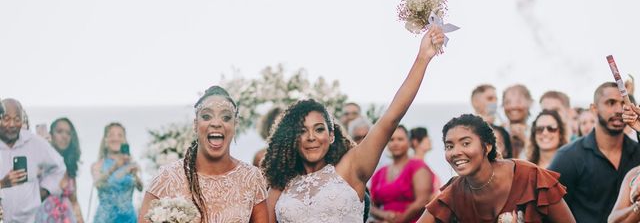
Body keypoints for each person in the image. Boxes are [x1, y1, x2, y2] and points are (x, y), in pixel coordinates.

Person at [262, 26, 446, 223]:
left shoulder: (350, 167)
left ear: (331, 135)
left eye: (319, 129)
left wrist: (423, 57)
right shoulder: (281, 186)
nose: (311, 137)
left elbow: (390, 119)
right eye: (302, 131)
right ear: (292, 138)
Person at [139, 85, 267, 223]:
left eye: (226, 117)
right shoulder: (167, 177)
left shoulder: (252, 178)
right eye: (206, 116)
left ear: (235, 125)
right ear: (195, 125)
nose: (216, 123)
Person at [418, 114, 574, 222]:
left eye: (466, 143)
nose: (456, 152)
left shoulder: (531, 176)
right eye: (449, 146)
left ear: (487, 146)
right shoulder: (453, 193)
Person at [548, 82, 640, 223]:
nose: (619, 110)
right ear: (594, 109)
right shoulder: (568, 156)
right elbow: (549, 209)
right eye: (611, 103)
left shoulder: (638, 152)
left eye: (624, 103)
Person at [0, 98, 66, 223]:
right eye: (7, 119)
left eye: (17, 119)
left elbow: (59, 167)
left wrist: (44, 192)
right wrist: (3, 183)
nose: (12, 124)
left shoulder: (34, 142)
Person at [369, 126, 431, 222]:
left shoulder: (418, 167)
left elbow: (423, 201)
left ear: (409, 142)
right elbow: (371, 205)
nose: (395, 143)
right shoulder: (379, 173)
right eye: (391, 140)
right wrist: (385, 215)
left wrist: (399, 220)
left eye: (400, 139)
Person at [91, 122, 142, 223]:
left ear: (124, 140)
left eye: (120, 135)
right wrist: (115, 167)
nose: (116, 138)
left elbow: (140, 188)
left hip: (128, 219)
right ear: (105, 140)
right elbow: (98, 184)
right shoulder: (97, 165)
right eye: (111, 135)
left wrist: (135, 175)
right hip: (104, 219)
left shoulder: (132, 164)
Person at [36, 118, 84, 223]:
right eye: (59, 131)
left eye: (68, 133)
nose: (64, 136)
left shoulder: (70, 166)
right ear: (51, 135)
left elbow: (74, 202)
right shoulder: (41, 161)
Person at [502, 84, 533, 158]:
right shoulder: (495, 132)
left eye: (518, 102)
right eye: (508, 102)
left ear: (530, 103)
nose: (513, 106)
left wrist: (525, 140)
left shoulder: (540, 133)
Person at [409, 127, 441, 194]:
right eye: (426, 137)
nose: (430, 140)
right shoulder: (413, 165)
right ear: (415, 142)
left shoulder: (423, 165)